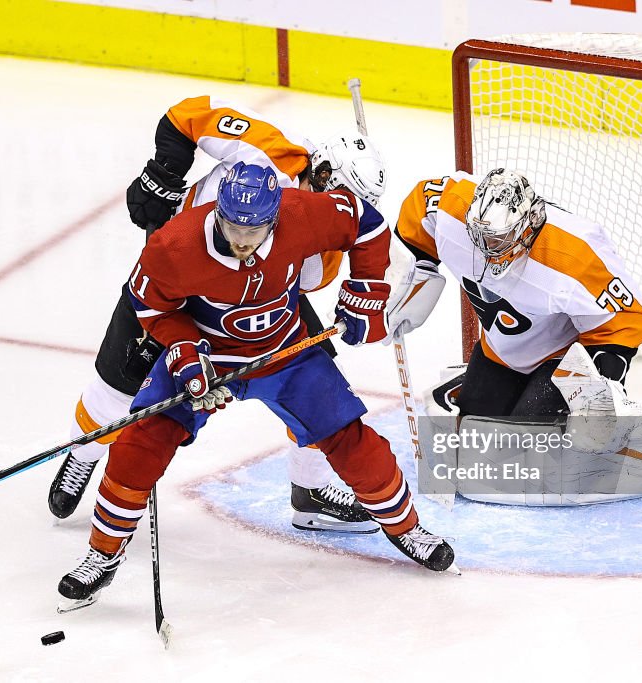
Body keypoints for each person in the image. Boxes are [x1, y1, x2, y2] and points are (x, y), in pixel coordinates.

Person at [57, 163, 457, 611]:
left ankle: (408, 530)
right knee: (138, 444)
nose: (244, 241)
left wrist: (366, 287)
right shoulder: (175, 245)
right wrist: (186, 352)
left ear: (275, 218)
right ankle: (101, 554)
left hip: (286, 351)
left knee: (354, 442)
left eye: (256, 230)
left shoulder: (299, 213)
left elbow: (365, 223)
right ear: (218, 213)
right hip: (211, 356)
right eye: (232, 227)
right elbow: (150, 307)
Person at [49, 96, 388, 534]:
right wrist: (164, 171)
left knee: (316, 376)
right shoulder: (271, 149)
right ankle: (86, 452)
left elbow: (309, 275)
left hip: (254, 292)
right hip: (178, 281)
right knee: (119, 384)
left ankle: (312, 488)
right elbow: (188, 114)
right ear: (322, 175)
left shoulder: (323, 233)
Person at [387, 169, 642, 504]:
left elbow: (627, 316)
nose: (487, 251)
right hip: (501, 351)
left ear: (528, 228)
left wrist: (599, 388)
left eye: (499, 240)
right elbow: (420, 204)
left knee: (540, 453)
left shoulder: (573, 254)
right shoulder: (453, 211)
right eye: (482, 237)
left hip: (563, 358)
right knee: (480, 449)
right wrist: (409, 270)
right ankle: (473, 383)